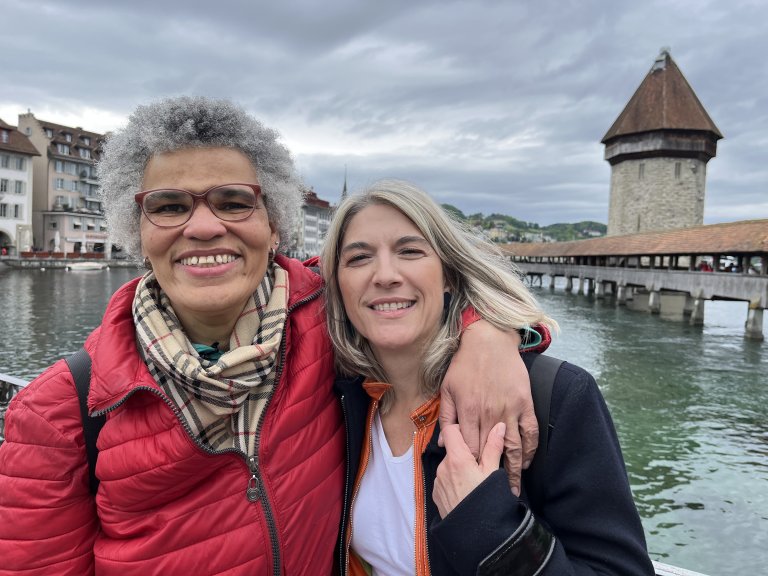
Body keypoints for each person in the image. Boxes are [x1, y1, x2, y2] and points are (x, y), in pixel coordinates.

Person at [0, 97, 538, 575]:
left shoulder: (328, 320)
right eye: (168, 206)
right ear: (135, 230)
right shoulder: (58, 410)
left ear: (274, 223)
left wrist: (487, 335)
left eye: (234, 202)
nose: (205, 227)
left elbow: (415, 297)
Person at [322, 180, 656, 575]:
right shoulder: (339, 396)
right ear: (336, 283)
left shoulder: (555, 396)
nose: (385, 274)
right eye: (358, 258)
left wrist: (486, 525)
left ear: (447, 273)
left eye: (410, 251)